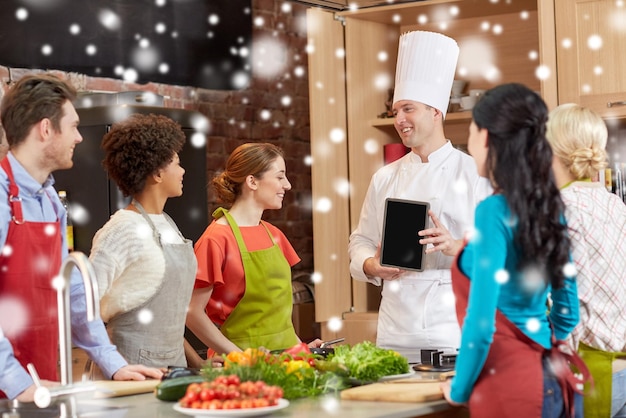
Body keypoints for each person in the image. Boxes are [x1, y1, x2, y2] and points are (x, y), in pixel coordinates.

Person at [0, 74, 162, 402]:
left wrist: (114, 363)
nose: (78, 137)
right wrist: (18, 383)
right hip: (12, 387)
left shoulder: (49, 202)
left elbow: (73, 294)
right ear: (46, 129)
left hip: (42, 379)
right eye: (73, 126)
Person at [441, 83, 588, 417]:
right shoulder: (550, 207)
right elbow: (568, 312)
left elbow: (480, 324)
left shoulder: (492, 212)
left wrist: (459, 389)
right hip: (556, 380)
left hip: (511, 388)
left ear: (488, 137)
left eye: (471, 130)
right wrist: (540, 348)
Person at [348, 30, 492, 363]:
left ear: (435, 112)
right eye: (395, 111)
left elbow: (503, 251)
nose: (399, 120)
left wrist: (456, 246)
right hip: (395, 329)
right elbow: (361, 241)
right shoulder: (385, 176)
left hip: (454, 328)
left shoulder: (475, 174)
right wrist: (372, 265)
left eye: (408, 109)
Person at [186, 143, 321, 357]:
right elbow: (192, 313)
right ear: (252, 181)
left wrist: (300, 348)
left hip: (287, 361)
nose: (287, 185)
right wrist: (239, 357)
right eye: (279, 177)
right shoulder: (216, 239)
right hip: (242, 368)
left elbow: (277, 318)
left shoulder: (274, 234)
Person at [88, 114, 197, 370]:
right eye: (177, 163)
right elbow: (83, 309)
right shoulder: (122, 229)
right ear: (158, 173)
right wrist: (115, 367)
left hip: (176, 370)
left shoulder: (168, 225)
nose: (183, 171)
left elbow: (166, 321)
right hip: (131, 372)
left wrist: (198, 363)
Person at [546, 103, 626, 418]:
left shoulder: (561, 208)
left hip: (589, 371)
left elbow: (572, 298)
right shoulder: (614, 204)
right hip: (620, 365)